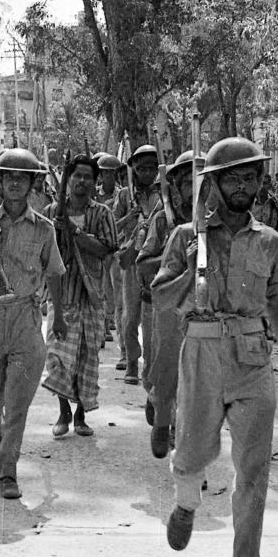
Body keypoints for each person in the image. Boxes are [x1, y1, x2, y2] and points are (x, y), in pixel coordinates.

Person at [151, 136, 278, 557]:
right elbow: (161, 297)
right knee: (193, 447)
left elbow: (277, 300)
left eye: (249, 176)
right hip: (204, 347)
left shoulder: (272, 243)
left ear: (259, 183)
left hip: (253, 356)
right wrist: (192, 268)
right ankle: (187, 500)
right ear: (212, 184)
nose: (242, 185)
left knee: (253, 468)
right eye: (231, 177)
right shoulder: (185, 238)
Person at [0, 148, 66, 500]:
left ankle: (8, 472)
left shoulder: (45, 229)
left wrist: (59, 315)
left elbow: (55, 273)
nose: (15, 182)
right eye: (9, 176)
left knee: (18, 403)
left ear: (33, 184)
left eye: (23, 177)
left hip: (26, 317)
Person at [43, 154, 117, 438]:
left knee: (87, 357)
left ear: (95, 182)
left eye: (88, 176)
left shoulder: (102, 214)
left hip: (92, 296)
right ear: (68, 179)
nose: (82, 181)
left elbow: (106, 248)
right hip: (62, 296)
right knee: (58, 356)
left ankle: (80, 416)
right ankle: (63, 412)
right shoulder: (52, 212)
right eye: (77, 176)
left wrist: (74, 231)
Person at [135, 151, 192, 458]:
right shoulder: (163, 220)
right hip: (168, 304)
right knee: (164, 368)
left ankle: (186, 448)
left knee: (198, 380)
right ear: (178, 185)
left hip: (205, 309)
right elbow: (142, 264)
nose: (196, 190)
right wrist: (176, 255)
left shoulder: (218, 221)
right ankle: (161, 417)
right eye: (189, 182)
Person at [111, 144, 161, 384]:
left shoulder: (164, 194)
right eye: (142, 169)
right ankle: (132, 360)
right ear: (134, 169)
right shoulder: (124, 196)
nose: (148, 173)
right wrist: (128, 218)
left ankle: (150, 365)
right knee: (131, 316)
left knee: (153, 318)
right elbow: (110, 227)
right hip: (131, 261)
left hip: (155, 261)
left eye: (152, 168)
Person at [95, 152, 123, 345]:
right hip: (97, 247)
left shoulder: (123, 195)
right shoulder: (94, 193)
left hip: (116, 246)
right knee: (100, 287)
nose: (108, 177)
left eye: (112, 173)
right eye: (105, 173)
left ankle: (112, 321)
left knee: (115, 288)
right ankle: (103, 325)